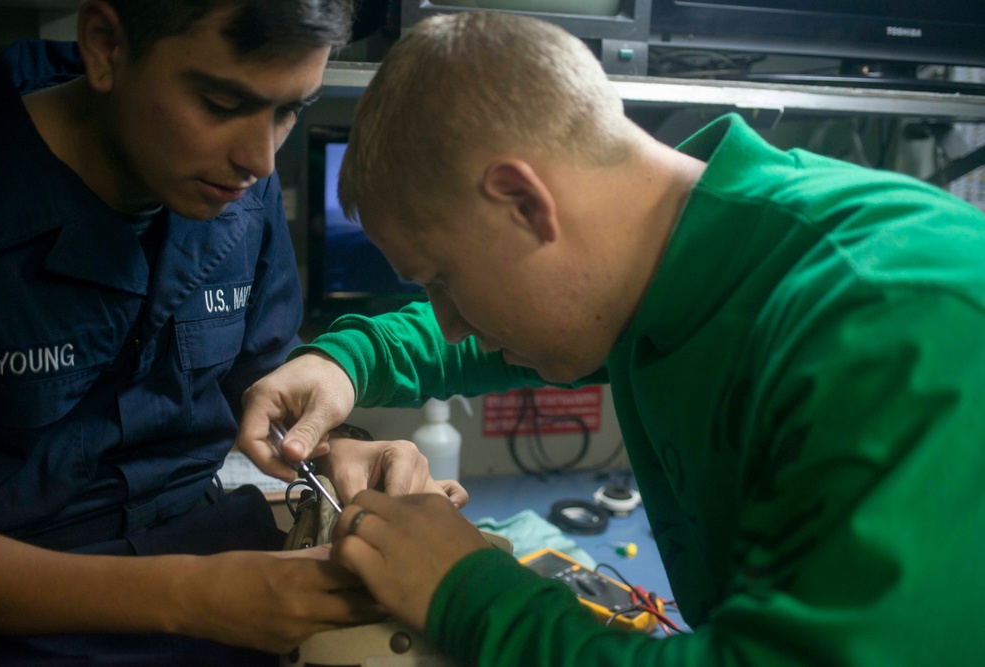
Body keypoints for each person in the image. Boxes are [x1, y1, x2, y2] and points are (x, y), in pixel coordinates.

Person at [237, 9, 985, 667]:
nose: (450, 319)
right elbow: (464, 341)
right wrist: (341, 360)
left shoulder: (887, 322)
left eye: (441, 280)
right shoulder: (677, 269)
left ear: (523, 202)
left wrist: (463, 590)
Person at [0, 1, 466, 664]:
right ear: (104, 45)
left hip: (220, 568)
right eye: (219, 102)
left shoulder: (230, 186)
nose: (261, 160)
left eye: (289, 109)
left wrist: (337, 451)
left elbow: (264, 398)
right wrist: (188, 595)